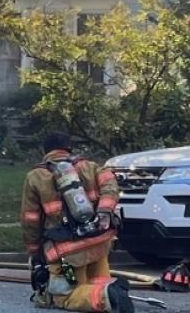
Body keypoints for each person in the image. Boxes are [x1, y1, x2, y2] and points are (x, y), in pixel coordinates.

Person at [21, 132, 131, 313]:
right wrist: (104, 211)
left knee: (65, 294)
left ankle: (108, 296)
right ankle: (109, 292)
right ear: (69, 148)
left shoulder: (36, 177)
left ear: (45, 151)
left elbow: (30, 220)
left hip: (67, 257)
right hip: (100, 244)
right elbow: (111, 187)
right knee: (96, 283)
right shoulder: (91, 167)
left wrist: (35, 251)